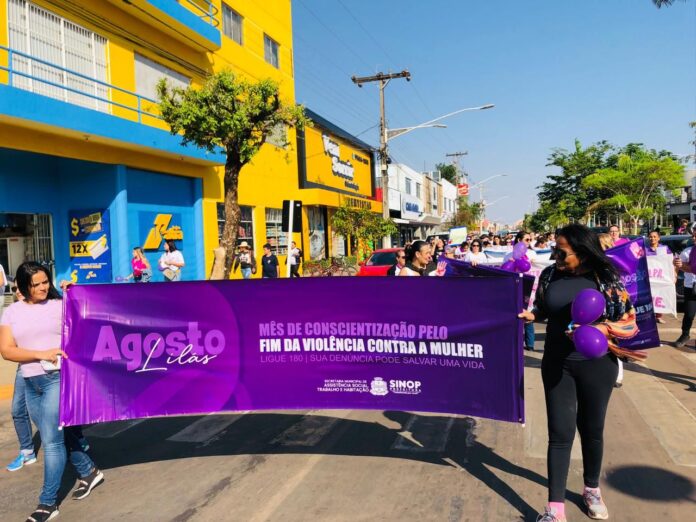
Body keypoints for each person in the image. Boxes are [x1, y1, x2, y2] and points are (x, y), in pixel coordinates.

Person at [519, 224, 639, 522]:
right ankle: (555, 509)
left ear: (583, 254)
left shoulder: (606, 279)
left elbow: (630, 322)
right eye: (554, 251)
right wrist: (533, 315)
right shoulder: (550, 275)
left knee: (592, 429)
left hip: (597, 365)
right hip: (557, 363)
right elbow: (544, 308)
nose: (555, 257)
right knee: (559, 433)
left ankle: (591, 489)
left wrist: (602, 329)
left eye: (562, 253)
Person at [0, 262, 104, 522]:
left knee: (51, 442)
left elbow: (94, 316)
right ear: (23, 286)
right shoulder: (11, 312)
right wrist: (40, 354)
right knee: (59, 432)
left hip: (57, 379)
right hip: (30, 383)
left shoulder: (60, 305)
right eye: (36, 284)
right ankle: (89, 471)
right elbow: (7, 350)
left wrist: (76, 293)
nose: (43, 287)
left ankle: (47, 504)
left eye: (45, 282)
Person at [673, 224, 696, 347]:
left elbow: (690, 268)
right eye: (693, 236)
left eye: (695, 236)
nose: (693, 238)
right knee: (689, 314)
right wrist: (676, 269)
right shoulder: (688, 251)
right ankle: (685, 335)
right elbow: (678, 264)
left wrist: (683, 266)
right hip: (690, 286)